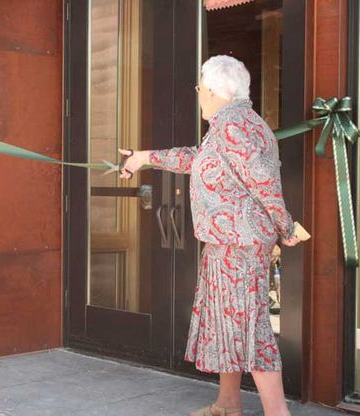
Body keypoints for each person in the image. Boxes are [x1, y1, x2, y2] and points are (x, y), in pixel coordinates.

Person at [119, 55, 299, 416]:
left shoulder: (236, 127)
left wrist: (286, 226)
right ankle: (228, 404)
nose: (198, 93)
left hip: (240, 245)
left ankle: (278, 413)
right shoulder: (230, 124)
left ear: (216, 91)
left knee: (250, 328)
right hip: (227, 243)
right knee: (227, 322)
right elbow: (197, 158)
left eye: (201, 87)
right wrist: (145, 157)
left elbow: (264, 182)